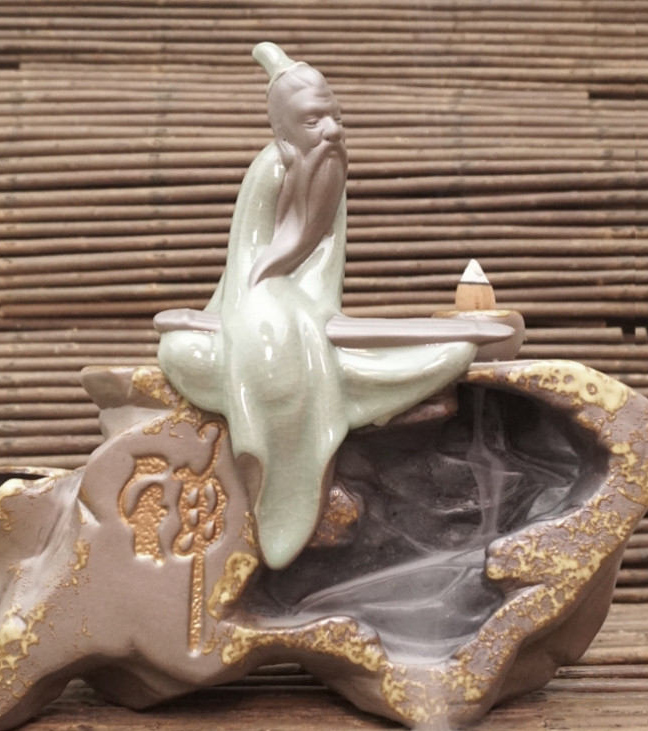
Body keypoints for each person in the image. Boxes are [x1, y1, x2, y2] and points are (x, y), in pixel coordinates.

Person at [155, 43, 513, 570]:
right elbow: (248, 267)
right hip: (259, 309)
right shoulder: (270, 170)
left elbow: (324, 267)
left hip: (305, 315)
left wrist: (310, 312)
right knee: (187, 352)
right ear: (283, 132)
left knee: (449, 352)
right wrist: (275, 310)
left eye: (336, 117)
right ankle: (284, 491)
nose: (331, 131)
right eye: (313, 121)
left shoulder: (326, 165)